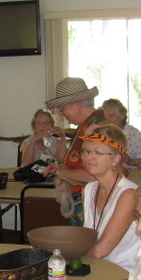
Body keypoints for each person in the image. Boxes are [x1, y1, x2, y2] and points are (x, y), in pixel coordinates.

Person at [41, 77, 111, 226]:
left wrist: (61, 173)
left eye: (62, 108)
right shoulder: (86, 126)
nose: (61, 114)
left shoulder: (97, 129)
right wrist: (62, 169)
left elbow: (94, 175)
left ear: (78, 105)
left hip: (95, 208)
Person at [80, 126, 141, 271]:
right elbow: (88, 239)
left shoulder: (129, 195)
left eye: (98, 152)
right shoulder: (88, 190)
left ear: (115, 159)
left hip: (125, 272)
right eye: (87, 151)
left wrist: (67, 255)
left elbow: (101, 251)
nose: (90, 157)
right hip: (97, 267)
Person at [100, 99, 141, 167]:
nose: (108, 121)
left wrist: (131, 161)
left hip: (130, 172)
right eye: (105, 118)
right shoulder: (101, 134)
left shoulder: (133, 134)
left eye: (111, 116)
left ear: (121, 116)